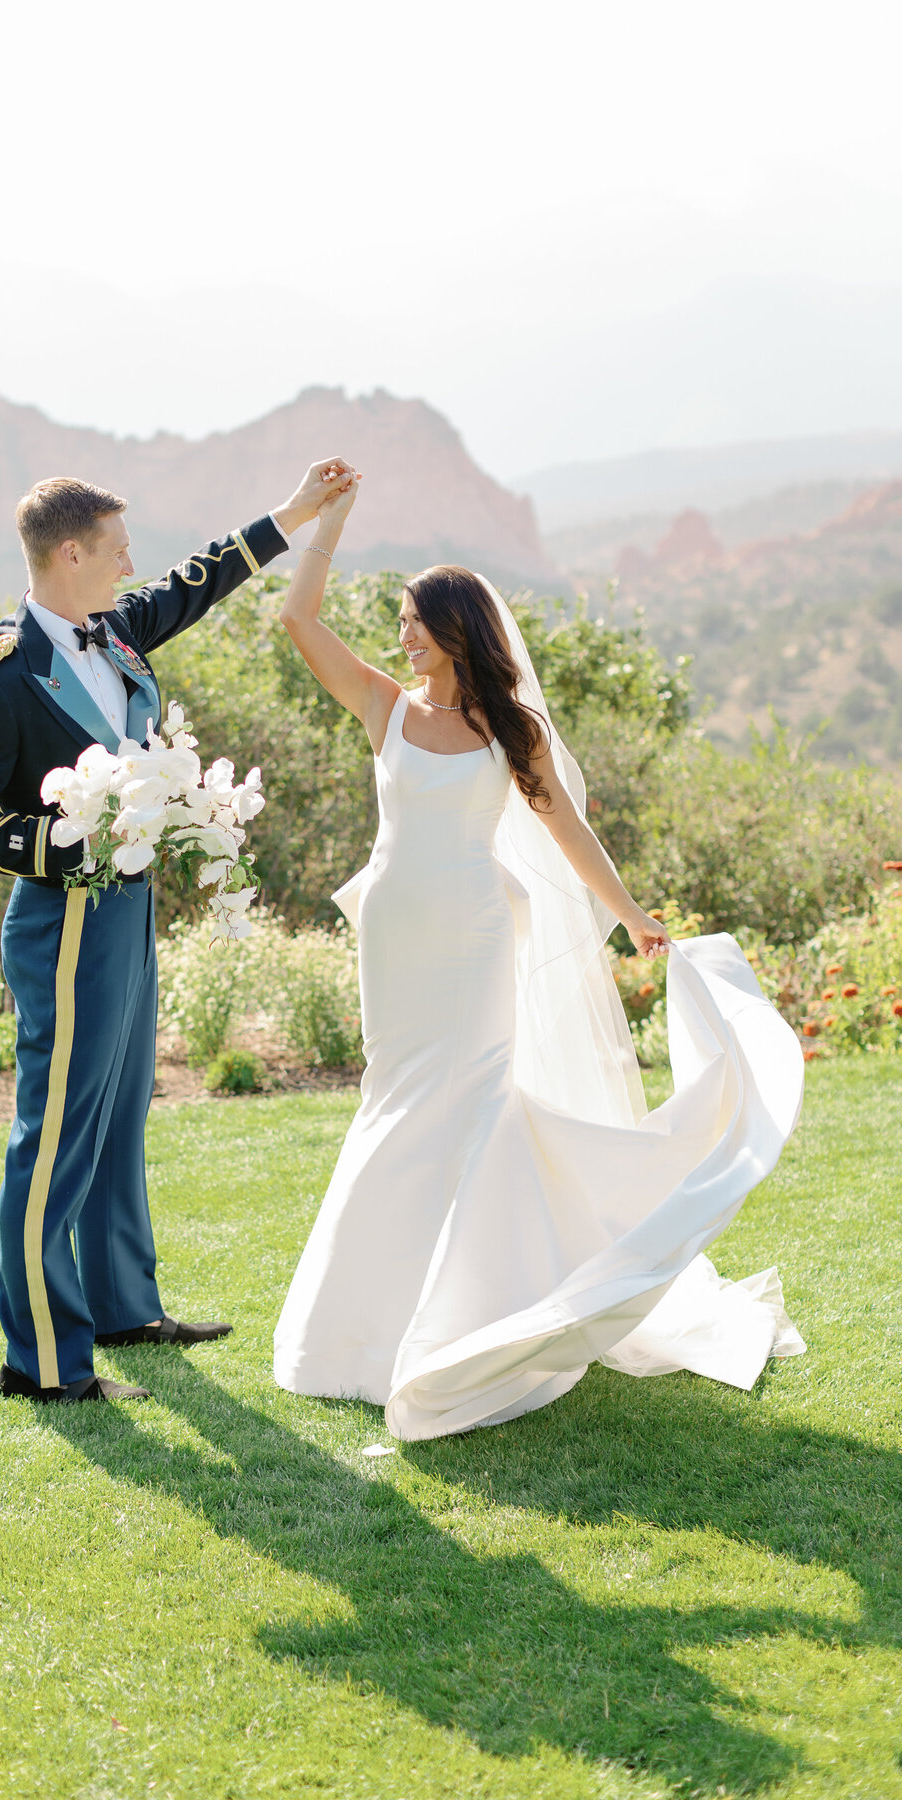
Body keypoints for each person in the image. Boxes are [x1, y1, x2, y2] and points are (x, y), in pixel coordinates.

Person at [272, 474, 805, 1441]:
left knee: (472, 1106)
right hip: (394, 935)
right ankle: (357, 1335)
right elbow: (297, 619)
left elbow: (569, 838)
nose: (402, 638)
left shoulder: (512, 731)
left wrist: (634, 915)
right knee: (394, 1101)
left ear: (457, 629)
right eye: (398, 622)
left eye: (415, 624)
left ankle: (474, 1315)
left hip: (476, 938)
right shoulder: (385, 709)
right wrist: (330, 522)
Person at [0, 459, 356, 1404]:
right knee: (56, 1137)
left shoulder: (112, 630)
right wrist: (72, 844)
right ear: (70, 553)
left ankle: (123, 1308)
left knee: (119, 1118)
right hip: (66, 920)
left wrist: (293, 512)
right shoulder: (1, 680)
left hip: (131, 912)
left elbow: (198, 581)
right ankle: (40, 1361)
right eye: (116, 548)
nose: (131, 562)